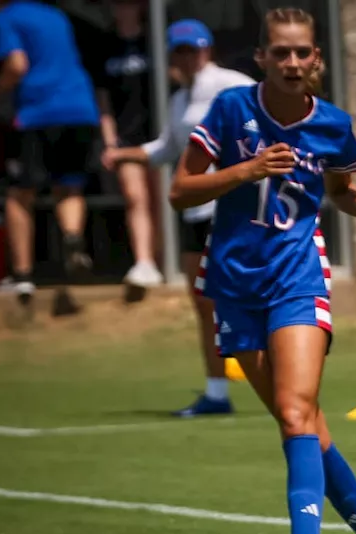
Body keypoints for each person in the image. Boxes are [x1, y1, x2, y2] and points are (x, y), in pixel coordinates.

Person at [169, 7, 356, 534]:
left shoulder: (333, 125)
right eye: (281, 53)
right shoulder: (230, 111)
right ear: (262, 59)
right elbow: (179, 191)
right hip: (233, 283)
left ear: (317, 59)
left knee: (297, 411)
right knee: (303, 423)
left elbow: (341, 191)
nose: (293, 62)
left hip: (297, 278)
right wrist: (245, 169)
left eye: (303, 52)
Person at [103, 19, 254, 417]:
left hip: (230, 205)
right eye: (181, 51)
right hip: (196, 209)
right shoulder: (178, 101)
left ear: (207, 50)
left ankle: (286, 378)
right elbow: (166, 150)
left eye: (195, 49)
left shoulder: (230, 84)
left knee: (246, 296)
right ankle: (217, 394)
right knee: (204, 302)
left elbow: (264, 129)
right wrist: (123, 154)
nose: (189, 57)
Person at [0, 0, 100, 319]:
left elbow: (16, 64)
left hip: (39, 112)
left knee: (20, 194)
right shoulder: (56, 14)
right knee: (69, 187)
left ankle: (23, 277)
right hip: (81, 108)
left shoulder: (7, 17)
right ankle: (73, 239)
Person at [88, 0, 163, 292]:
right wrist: (109, 140)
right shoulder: (105, 46)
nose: (124, 8)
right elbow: (103, 99)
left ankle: (163, 261)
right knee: (135, 196)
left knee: (160, 199)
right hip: (126, 137)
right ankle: (144, 261)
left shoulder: (154, 41)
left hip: (158, 132)